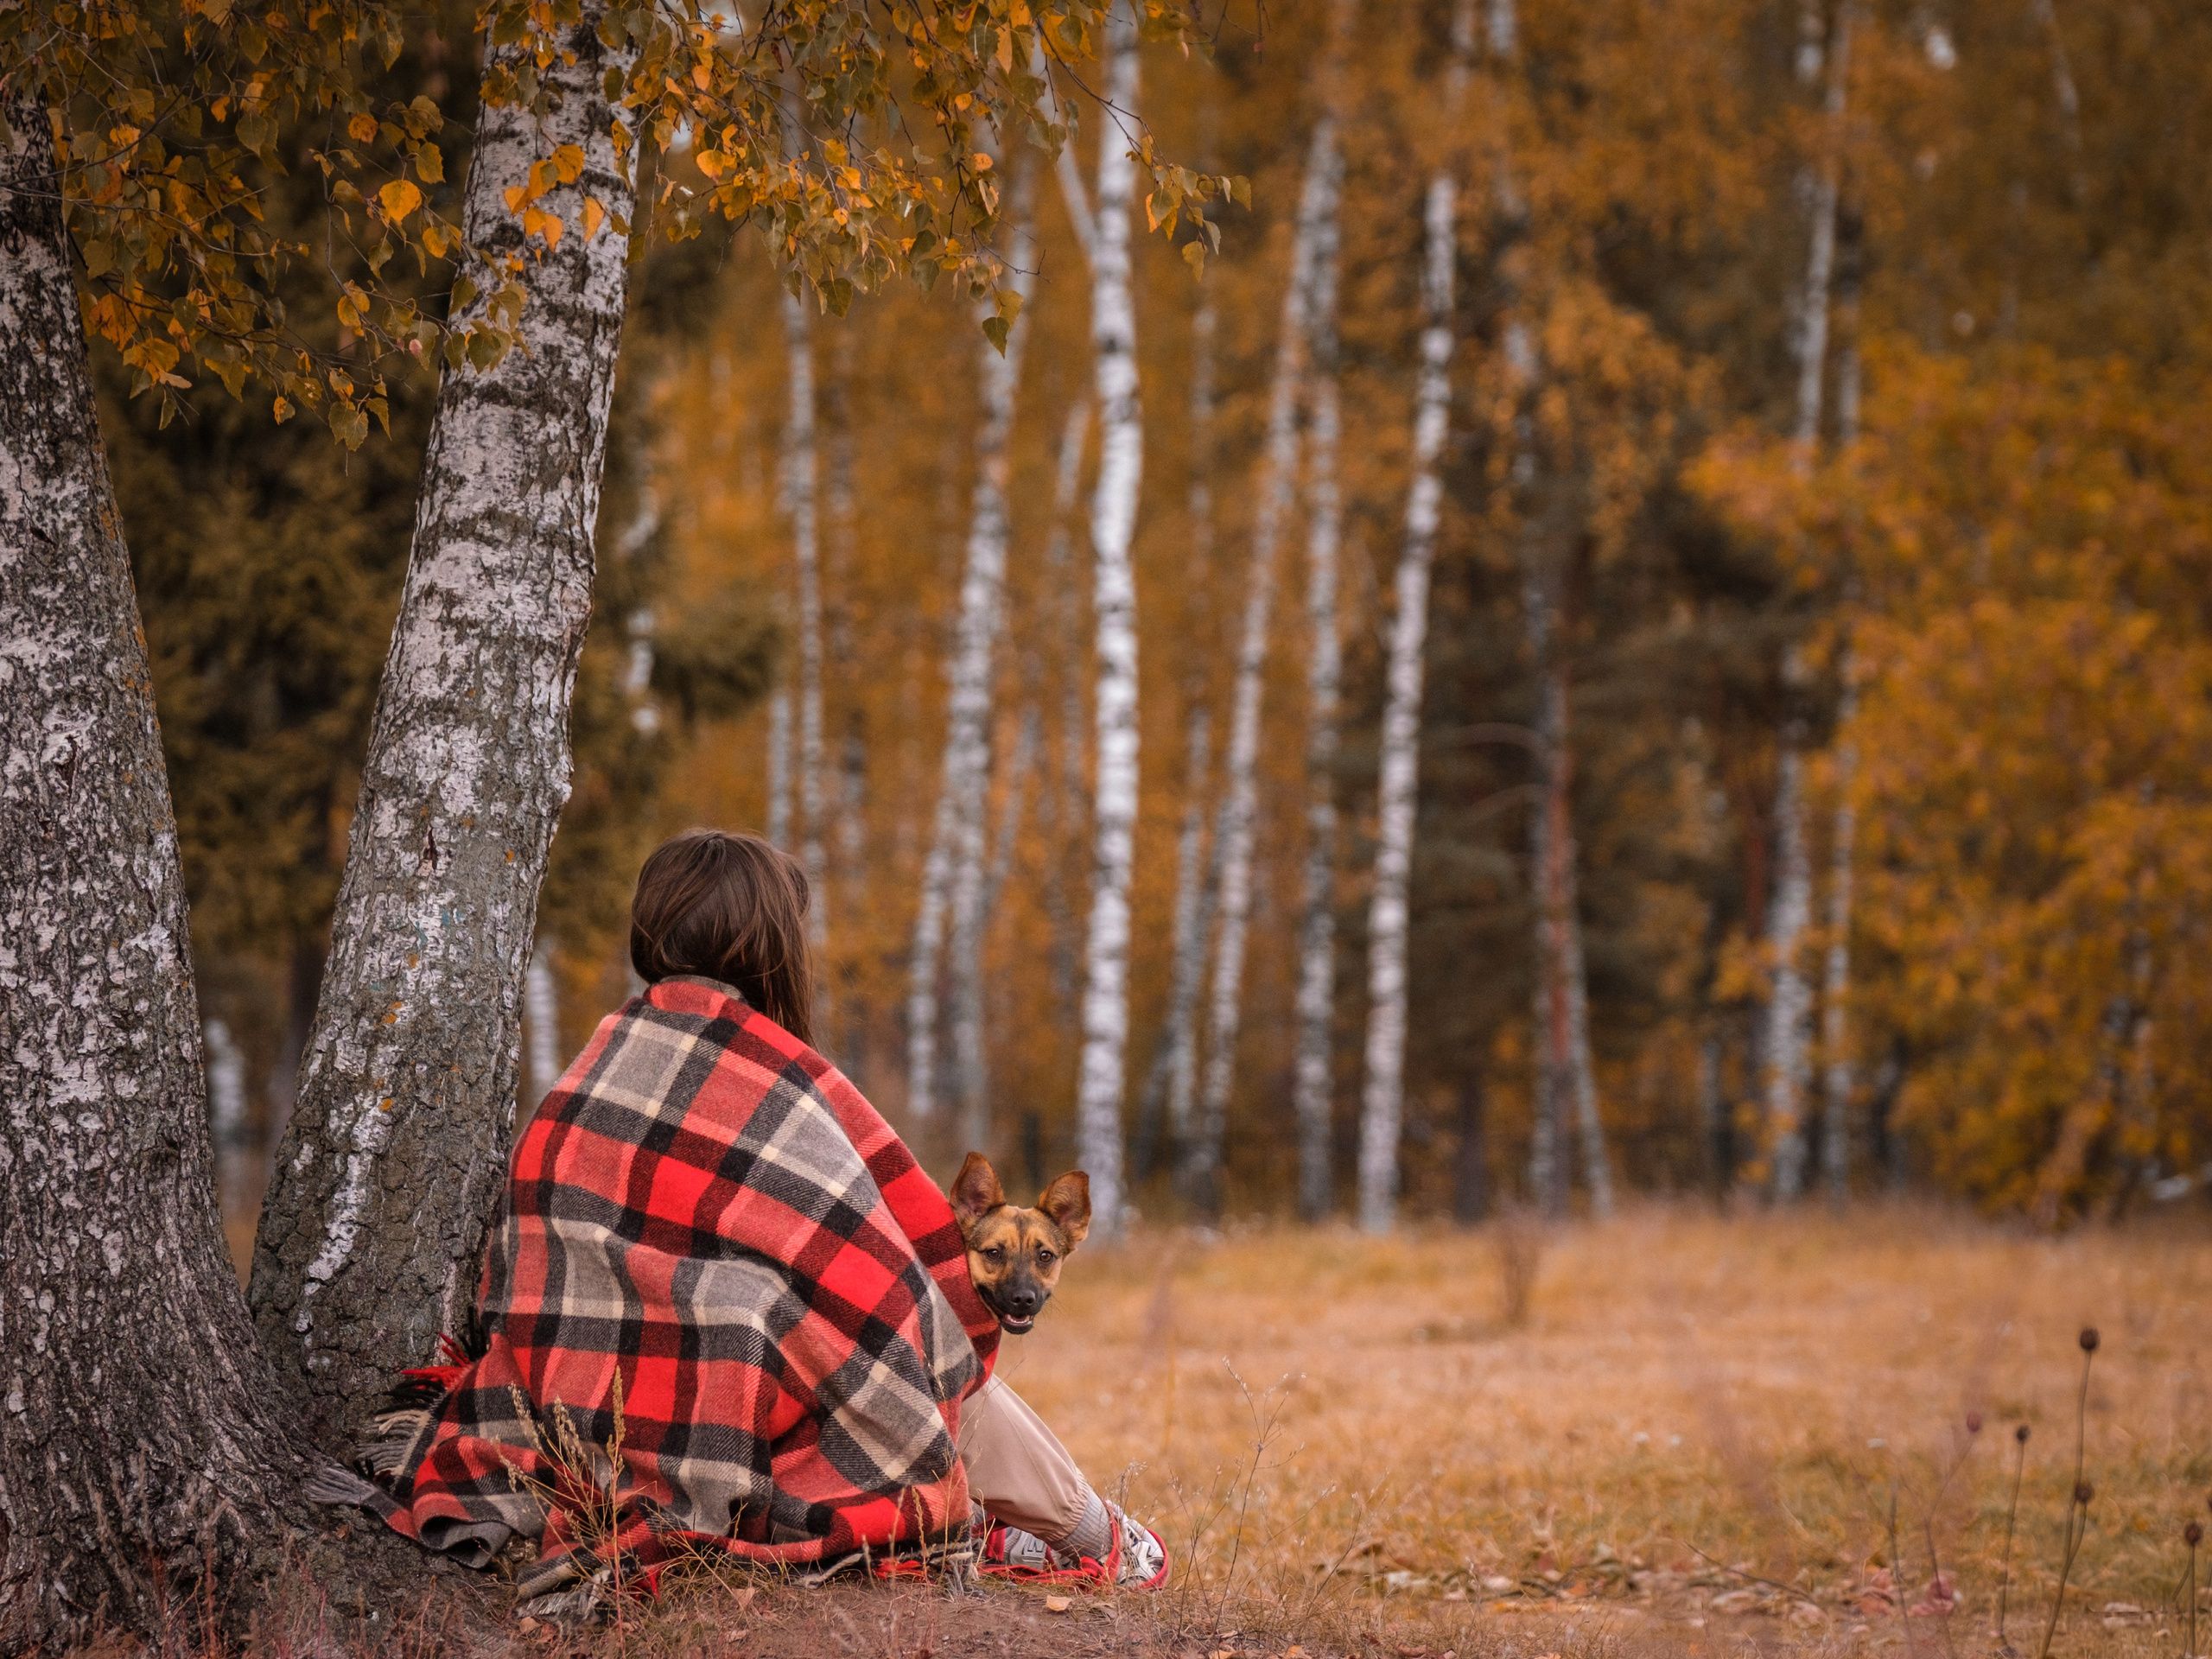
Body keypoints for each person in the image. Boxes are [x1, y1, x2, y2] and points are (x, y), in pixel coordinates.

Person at [323, 829, 1164, 1602]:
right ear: (774, 947)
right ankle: (1099, 1538)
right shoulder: (787, 1081)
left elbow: (527, 1267)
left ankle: (1035, 1527)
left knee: (834, 1341)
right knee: (919, 1361)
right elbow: (895, 1279)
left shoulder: (583, 1079)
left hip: (573, 1410)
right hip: (739, 1419)